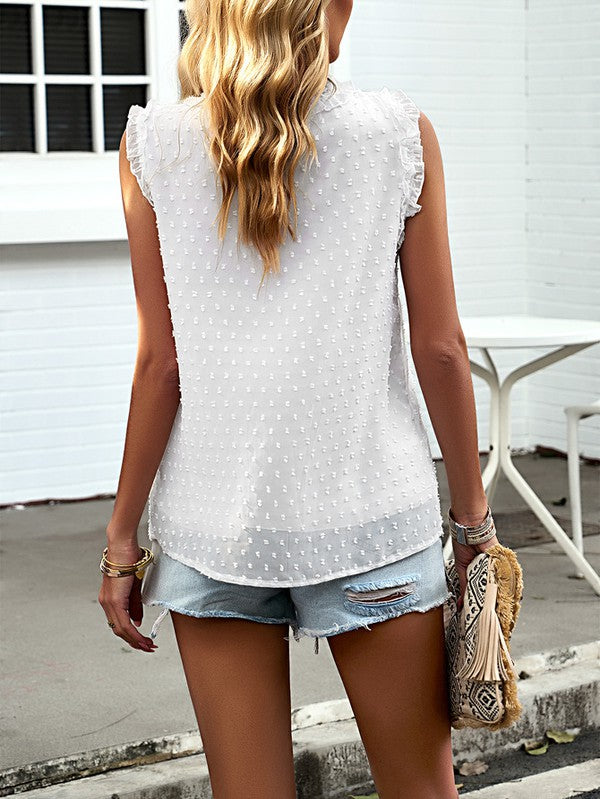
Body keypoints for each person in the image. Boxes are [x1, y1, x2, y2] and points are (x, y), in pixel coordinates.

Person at [98, 1, 500, 797]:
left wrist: (120, 542)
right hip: (370, 518)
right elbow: (442, 350)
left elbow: (159, 367)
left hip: (215, 528)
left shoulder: (151, 146)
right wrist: (472, 521)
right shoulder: (398, 135)